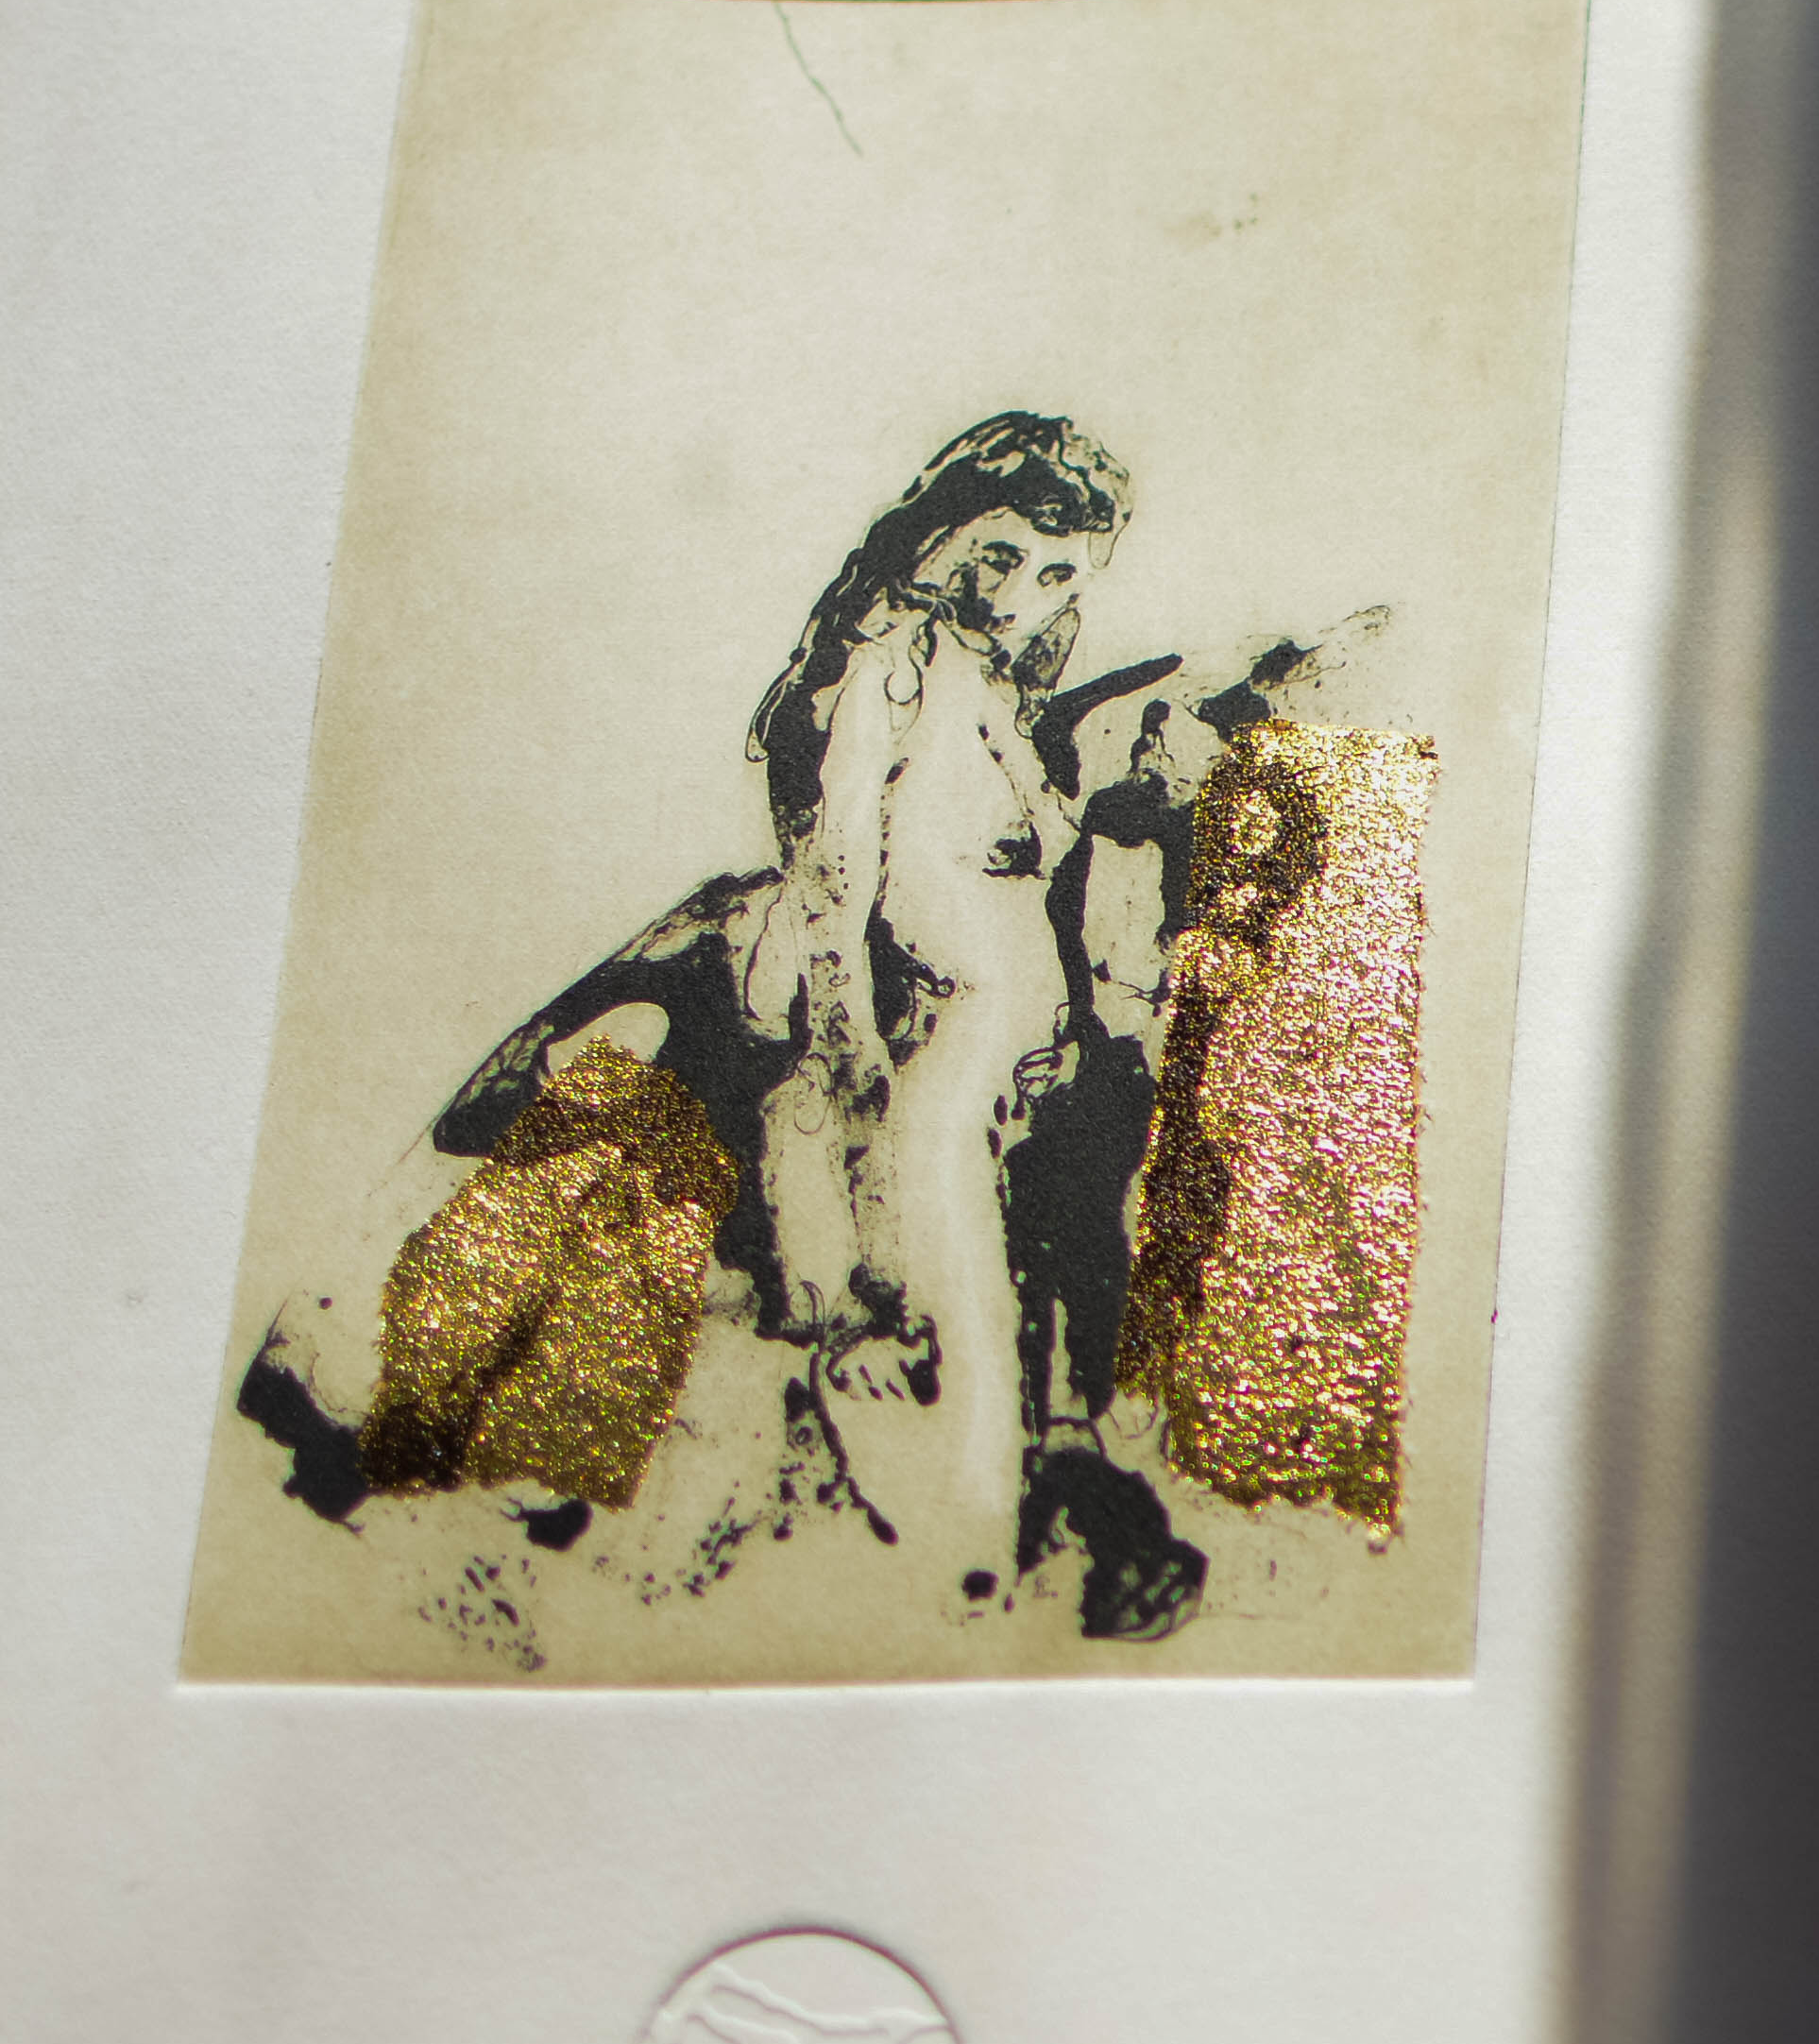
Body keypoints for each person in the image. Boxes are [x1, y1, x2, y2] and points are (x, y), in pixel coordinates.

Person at [239, 413, 1359, 1643]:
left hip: (1001, 1084)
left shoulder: (996, 683)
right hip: (916, 1086)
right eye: (1008, 557)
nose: (1025, 597)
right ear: (948, 534)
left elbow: (1031, 837)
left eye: (1059, 576)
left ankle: (1028, 1541)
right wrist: (848, 1154)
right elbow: (836, 906)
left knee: (1002, 1362)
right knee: (923, 1397)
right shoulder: (884, 669)